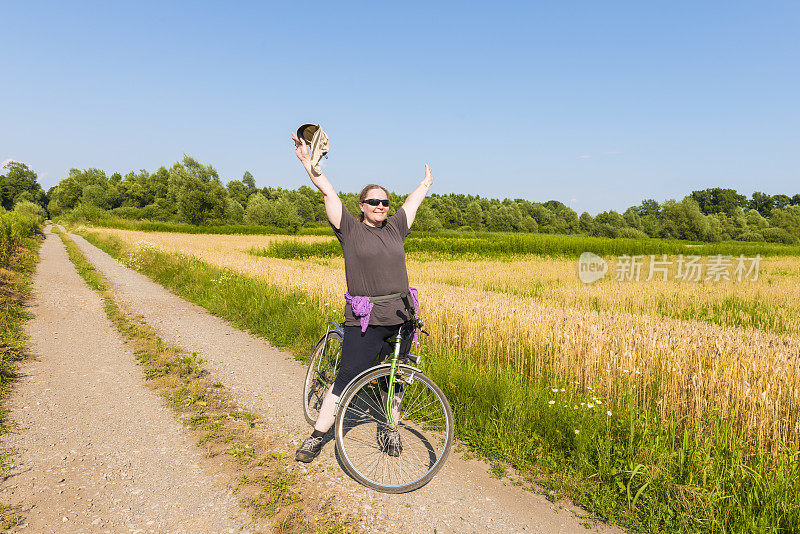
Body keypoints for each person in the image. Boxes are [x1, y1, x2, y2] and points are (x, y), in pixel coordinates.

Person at [291, 131, 434, 462]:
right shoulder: (350, 230)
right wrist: (308, 164)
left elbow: (411, 204)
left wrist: (425, 183)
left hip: (401, 318)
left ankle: (389, 428)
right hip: (365, 320)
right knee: (347, 377)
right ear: (361, 206)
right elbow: (326, 190)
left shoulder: (396, 228)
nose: (380, 206)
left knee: (395, 377)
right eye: (373, 202)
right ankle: (317, 437)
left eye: (385, 202)